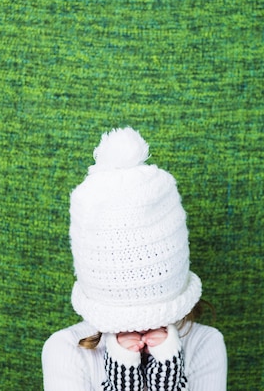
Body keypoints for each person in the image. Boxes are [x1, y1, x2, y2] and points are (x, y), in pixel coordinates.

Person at [42, 127, 227, 390]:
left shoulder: (205, 344)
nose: (142, 331)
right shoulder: (65, 350)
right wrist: (122, 383)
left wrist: (168, 379)